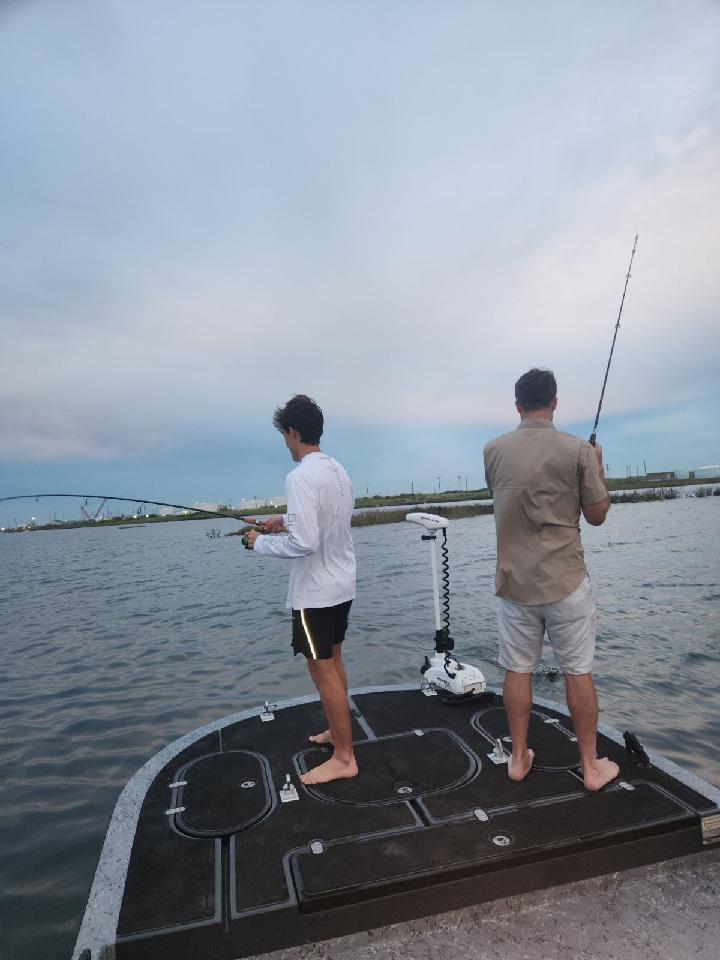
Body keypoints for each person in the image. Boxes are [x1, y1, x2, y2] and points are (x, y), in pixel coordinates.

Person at [483, 368, 620, 792]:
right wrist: (597, 466)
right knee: (578, 672)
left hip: (514, 583)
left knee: (517, 670)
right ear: (555, 402)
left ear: (518, 405)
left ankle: (519, 757)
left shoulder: (492, 450)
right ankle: (590, 766)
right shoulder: (579, 451)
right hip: (566, 581)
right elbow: (596, 516)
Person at [244, 394, 358, 786]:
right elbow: (320, 524)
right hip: (342, 585)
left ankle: (344, 757)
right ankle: (339, 734)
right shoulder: (338, 471)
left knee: (321, 669)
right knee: (335, 662)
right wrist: (285, 521)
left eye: (285, 436)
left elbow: (306, 543)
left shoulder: (299, 477)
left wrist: (258, 542)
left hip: (315, 593)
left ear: (293, 432)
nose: (286, 444)